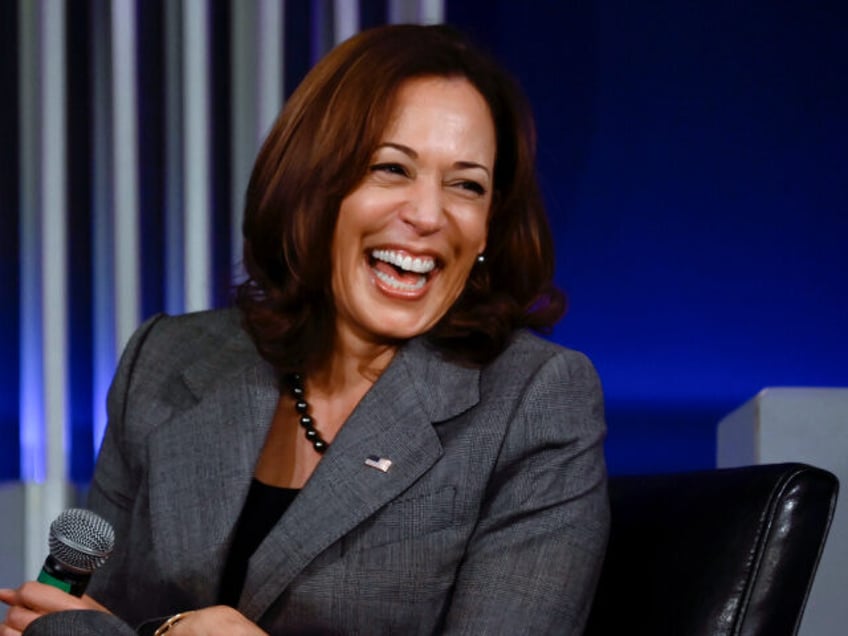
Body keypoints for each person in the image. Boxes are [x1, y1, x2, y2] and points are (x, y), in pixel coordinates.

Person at [1, 23, 609, 635]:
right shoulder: (165, 361)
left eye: (466, 185)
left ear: (488, 228)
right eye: (391, 169)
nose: (428, 215)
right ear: (311, 188)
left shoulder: (534, 402)